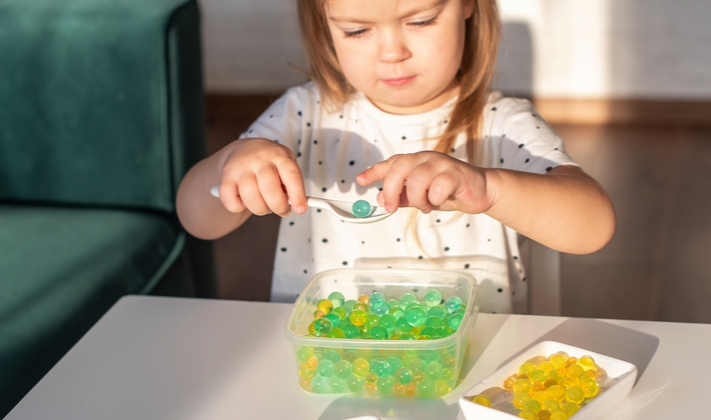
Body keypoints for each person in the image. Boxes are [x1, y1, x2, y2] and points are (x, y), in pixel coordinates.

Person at [176, 0, 616, 313]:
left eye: (420, 20)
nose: (392, 53)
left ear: (467, 5)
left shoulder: (502, 123)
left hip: (472, 359)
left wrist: (489, 188)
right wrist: (232, 165)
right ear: (323, 24)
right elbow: (197, 219)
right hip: (330, 358)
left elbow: (592, 227)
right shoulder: (302, 114)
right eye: (356, 30)